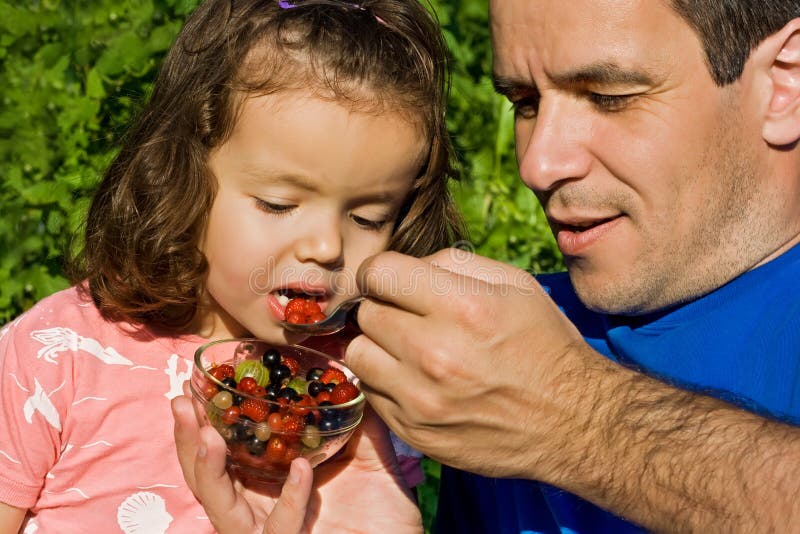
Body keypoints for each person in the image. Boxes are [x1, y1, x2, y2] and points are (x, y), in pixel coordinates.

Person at [0, 0, 464, 531]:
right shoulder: (58, 357)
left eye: (367, 217)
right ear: (184, 174)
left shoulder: (353, 398)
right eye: (278, 204)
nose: (325, 246)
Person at [338, 0, 800, 532]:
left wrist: (572, 416)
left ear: (783, 84)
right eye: (526, 102)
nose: (538, 165)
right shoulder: (500, 345)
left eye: (608, 97)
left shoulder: (529, 372)